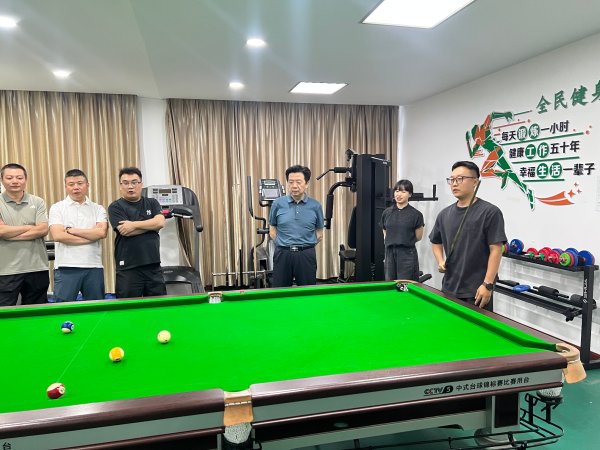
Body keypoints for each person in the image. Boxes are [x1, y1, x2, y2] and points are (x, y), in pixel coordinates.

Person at [429, 161, 506, 309]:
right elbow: (435, 241)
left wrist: (487, 284)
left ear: (475, 182)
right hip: (449, 287)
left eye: (460, 179)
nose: (454, 184)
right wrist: (440, 260)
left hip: (476, 291)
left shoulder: (490, 212)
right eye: (452, 179)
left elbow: (496, 250)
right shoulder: (444, 214)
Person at [48, 169, 108, 301]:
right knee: (63, 309)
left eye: (80, 183)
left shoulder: (98, 208)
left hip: (94, 266)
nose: (76, 187)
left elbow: (101, 232)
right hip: (66, 266)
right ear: (66, 186)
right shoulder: (57, 208)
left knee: (96, 309)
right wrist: (91, 236)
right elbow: (58, 236)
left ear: (87, 185)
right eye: (71, 184)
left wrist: (72, 230)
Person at [107, 167, 166, 298]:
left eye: (134, 182)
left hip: (153, 265)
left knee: (158, 306)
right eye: (126, 183)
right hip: (128, 268)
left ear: (141, 184)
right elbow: (125, 231)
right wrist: (151, 225)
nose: (130, 186)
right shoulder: (115, 207)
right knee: (128, 308)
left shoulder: (152, 202)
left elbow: (160, 223)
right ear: (120, 186)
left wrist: (133, 224)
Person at [0, 163, 49, 306]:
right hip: (6, 270)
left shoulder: (38, 201)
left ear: (25, 179)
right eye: (9, 178)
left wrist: (9, 233)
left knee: (37, 312)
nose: (15, 181)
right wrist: (29, 227)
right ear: (2, 180)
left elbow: (43, 229)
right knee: (5, 312)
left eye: (19, 178)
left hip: (37, 267)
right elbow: (1, 231)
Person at [269, 165, 324, 287]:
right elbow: (272, 230)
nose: (294, 186)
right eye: (290, 182)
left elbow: (319, 234)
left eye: (298, 182)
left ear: (307, 183)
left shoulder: (316, 206)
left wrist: (305, 245)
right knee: (280, 291)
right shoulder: (277, 204)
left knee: (307, 291)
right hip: (282, 254)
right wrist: (283, 244)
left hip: (306, 255)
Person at [380, 179, 424, 281]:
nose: (399, 194)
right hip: (389, 252)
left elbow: (418, 236)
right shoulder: (387, 212)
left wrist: (403, 240)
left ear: (410, 194)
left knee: (405, 285)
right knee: (390, 282)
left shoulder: (416, 214)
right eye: (397, 191)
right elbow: (385, 231)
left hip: (407, 253)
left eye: (403, 192)